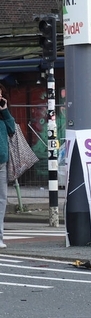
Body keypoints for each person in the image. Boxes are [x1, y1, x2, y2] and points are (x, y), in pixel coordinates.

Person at [0, 93, 17, 248]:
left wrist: (5, 110)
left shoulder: (4, 115)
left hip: (2, 163)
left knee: (1, 200)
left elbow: (13, 130)